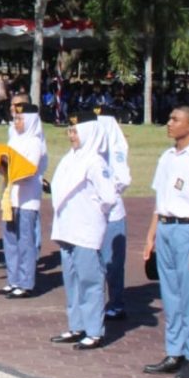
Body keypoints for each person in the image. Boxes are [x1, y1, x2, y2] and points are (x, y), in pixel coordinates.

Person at [142, 103, 189, 378]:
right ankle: (175, 351)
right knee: (170, 295)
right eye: (169, 118)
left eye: (176, 119)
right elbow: (159, 202)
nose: (169, 123)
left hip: (187, 230)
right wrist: (151, 236)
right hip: (165, 228)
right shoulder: (167, 157)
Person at [49, 114, 121, 350]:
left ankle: (94, 331)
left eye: (75, 131)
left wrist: (93, 210)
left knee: (90, 279)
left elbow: (109, 196)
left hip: (86, 228)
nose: (71, 136)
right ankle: (76, 325)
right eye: (69, 131)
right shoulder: (71, 159)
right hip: (66, 228)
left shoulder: (95, 162)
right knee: (71, 279)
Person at [84, 113, 133, 320]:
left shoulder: (114, 145)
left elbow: (122, 178)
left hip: (110, 213)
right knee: (90, 263)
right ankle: (93, 304)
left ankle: (116, 303)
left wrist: (104, 191)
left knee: (112, 262)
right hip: (87, 213)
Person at [2, 95, 47, 296]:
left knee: (25, 240)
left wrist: (10, 168)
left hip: (27, 198)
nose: (17, 123)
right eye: (16, 119)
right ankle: (13, 279)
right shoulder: (14, 140)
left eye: (20, 119)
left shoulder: (35, 142)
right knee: (10, 239)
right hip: (10, 196)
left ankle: (26, 282)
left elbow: (29, 170)